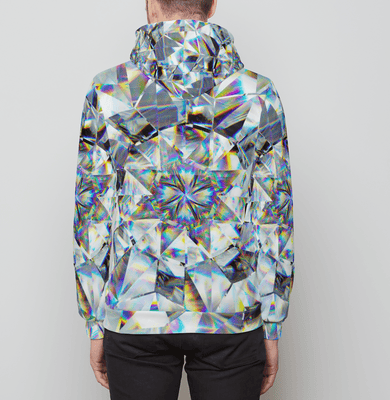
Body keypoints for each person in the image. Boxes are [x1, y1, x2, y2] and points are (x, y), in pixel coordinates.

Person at [73, 0, 295, 399]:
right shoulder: (256, 94)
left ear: (150, 4)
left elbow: (92, 217)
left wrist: (94, 320)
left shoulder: (110, 92)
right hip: (231, 313)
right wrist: (273, 321)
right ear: (213, 4)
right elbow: (274, 220)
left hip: (136, 312)